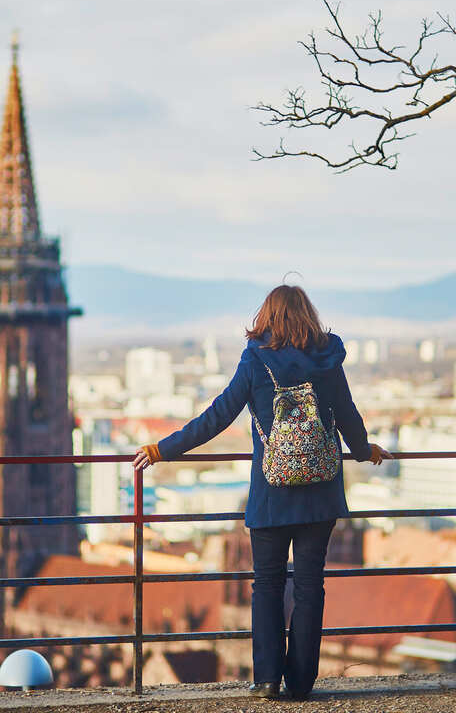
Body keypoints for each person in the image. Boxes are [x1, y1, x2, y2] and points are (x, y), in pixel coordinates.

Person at [133, 284, 391, 700]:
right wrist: (365, 452)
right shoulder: (328, 359)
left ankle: (267, 680)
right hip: (321, 493)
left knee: (267, 585)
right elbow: (347, 415)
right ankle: (302, 683)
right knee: (309, 587)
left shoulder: (256, 360)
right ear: (308, 315)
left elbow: (216, 416)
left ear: (266, 318)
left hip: (272, 494)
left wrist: (162, 449)